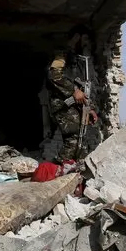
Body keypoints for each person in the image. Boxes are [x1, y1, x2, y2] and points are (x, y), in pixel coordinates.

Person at [46, 25, 98, 162]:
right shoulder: (61, 54)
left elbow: (84, 88)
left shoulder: (80, 59)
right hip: (63, 103)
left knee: (82, 140)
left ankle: (77, 171)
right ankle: (58, 169)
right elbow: (54, 75)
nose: (86, 43)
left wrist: (90, 108)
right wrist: (73, 91)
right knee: (73, 138)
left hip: (77, 104)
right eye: (83, 39)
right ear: (76, 38)